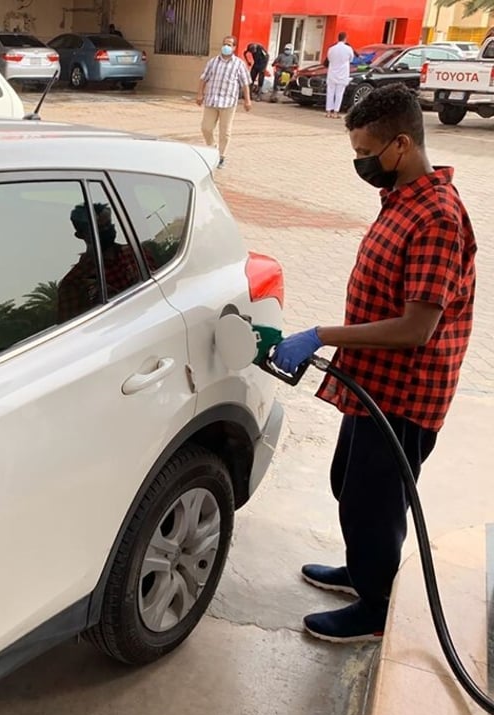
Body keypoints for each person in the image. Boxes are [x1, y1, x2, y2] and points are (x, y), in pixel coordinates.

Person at [272, 84, 477, 643]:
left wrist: (321, 335)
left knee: (375, 501)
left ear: (402, 145)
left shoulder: (435, 217)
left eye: (366, 153)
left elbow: (417, 328)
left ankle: (377, 606)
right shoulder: (403, 200)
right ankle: (363, 571)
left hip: (406, 395)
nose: (361, 163)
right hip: (374, 383)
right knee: (349, 483)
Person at [58, 203, 143, 322]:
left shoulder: (136, 254)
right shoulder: (74, 283)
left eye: (108, 224)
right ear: (81, 235)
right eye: (99, 228)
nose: (106, 230)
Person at [196, 36, 252, 170]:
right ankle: (212, 147)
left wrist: (247, 100)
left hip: (228, 102)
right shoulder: (213, 62)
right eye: (224, 44)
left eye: (229, 45)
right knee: (206, 128)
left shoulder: (239, 64)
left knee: (225, 132)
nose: (226, 47)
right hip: (212, 100)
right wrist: (200, 94)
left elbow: (245, 84)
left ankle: (221, 156)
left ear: (234, 47)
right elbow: (203, 78)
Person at [324, 32, 355, 118]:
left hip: (332, 73)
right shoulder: (348, 49)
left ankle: (328, 111)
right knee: (339, 93)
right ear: (345, 38)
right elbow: (351, 59)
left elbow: (329, 58)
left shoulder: (331, 48)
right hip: (343, 73)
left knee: (330, 92)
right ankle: (335, 112)